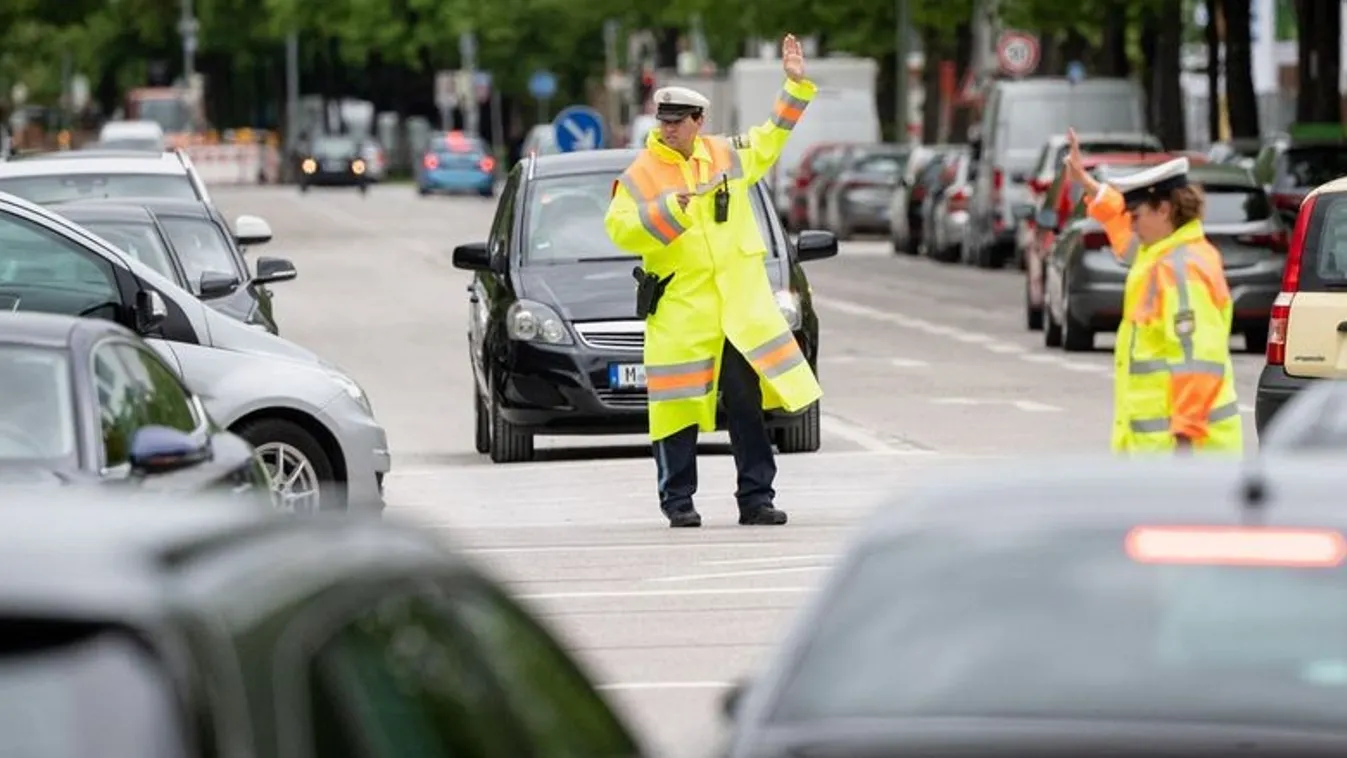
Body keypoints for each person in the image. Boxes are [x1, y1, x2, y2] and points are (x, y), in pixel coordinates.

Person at [603, 33, 822, 527]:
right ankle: (678, 502)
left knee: (748, 408)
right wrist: (665, 212)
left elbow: (771, 136)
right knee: (676, 410)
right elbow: (618, 226)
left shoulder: (725, 156)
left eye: (678, 123)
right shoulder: (642, 172)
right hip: (682, 313)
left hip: (738, 312)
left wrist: (794, 86)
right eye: (664, 122)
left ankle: (757, 499)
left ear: (699, 122)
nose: (670, 130)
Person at [1063, 129, 1242, 455]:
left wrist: (1185, 443)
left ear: (1164, 210)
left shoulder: (1181, 269)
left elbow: (1197, 360)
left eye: (1138, 216)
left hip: (1186, 457)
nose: (1131, 225)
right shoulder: (1160, 253)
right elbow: (1119, 227)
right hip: (1160, 454)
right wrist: (1087, 184)